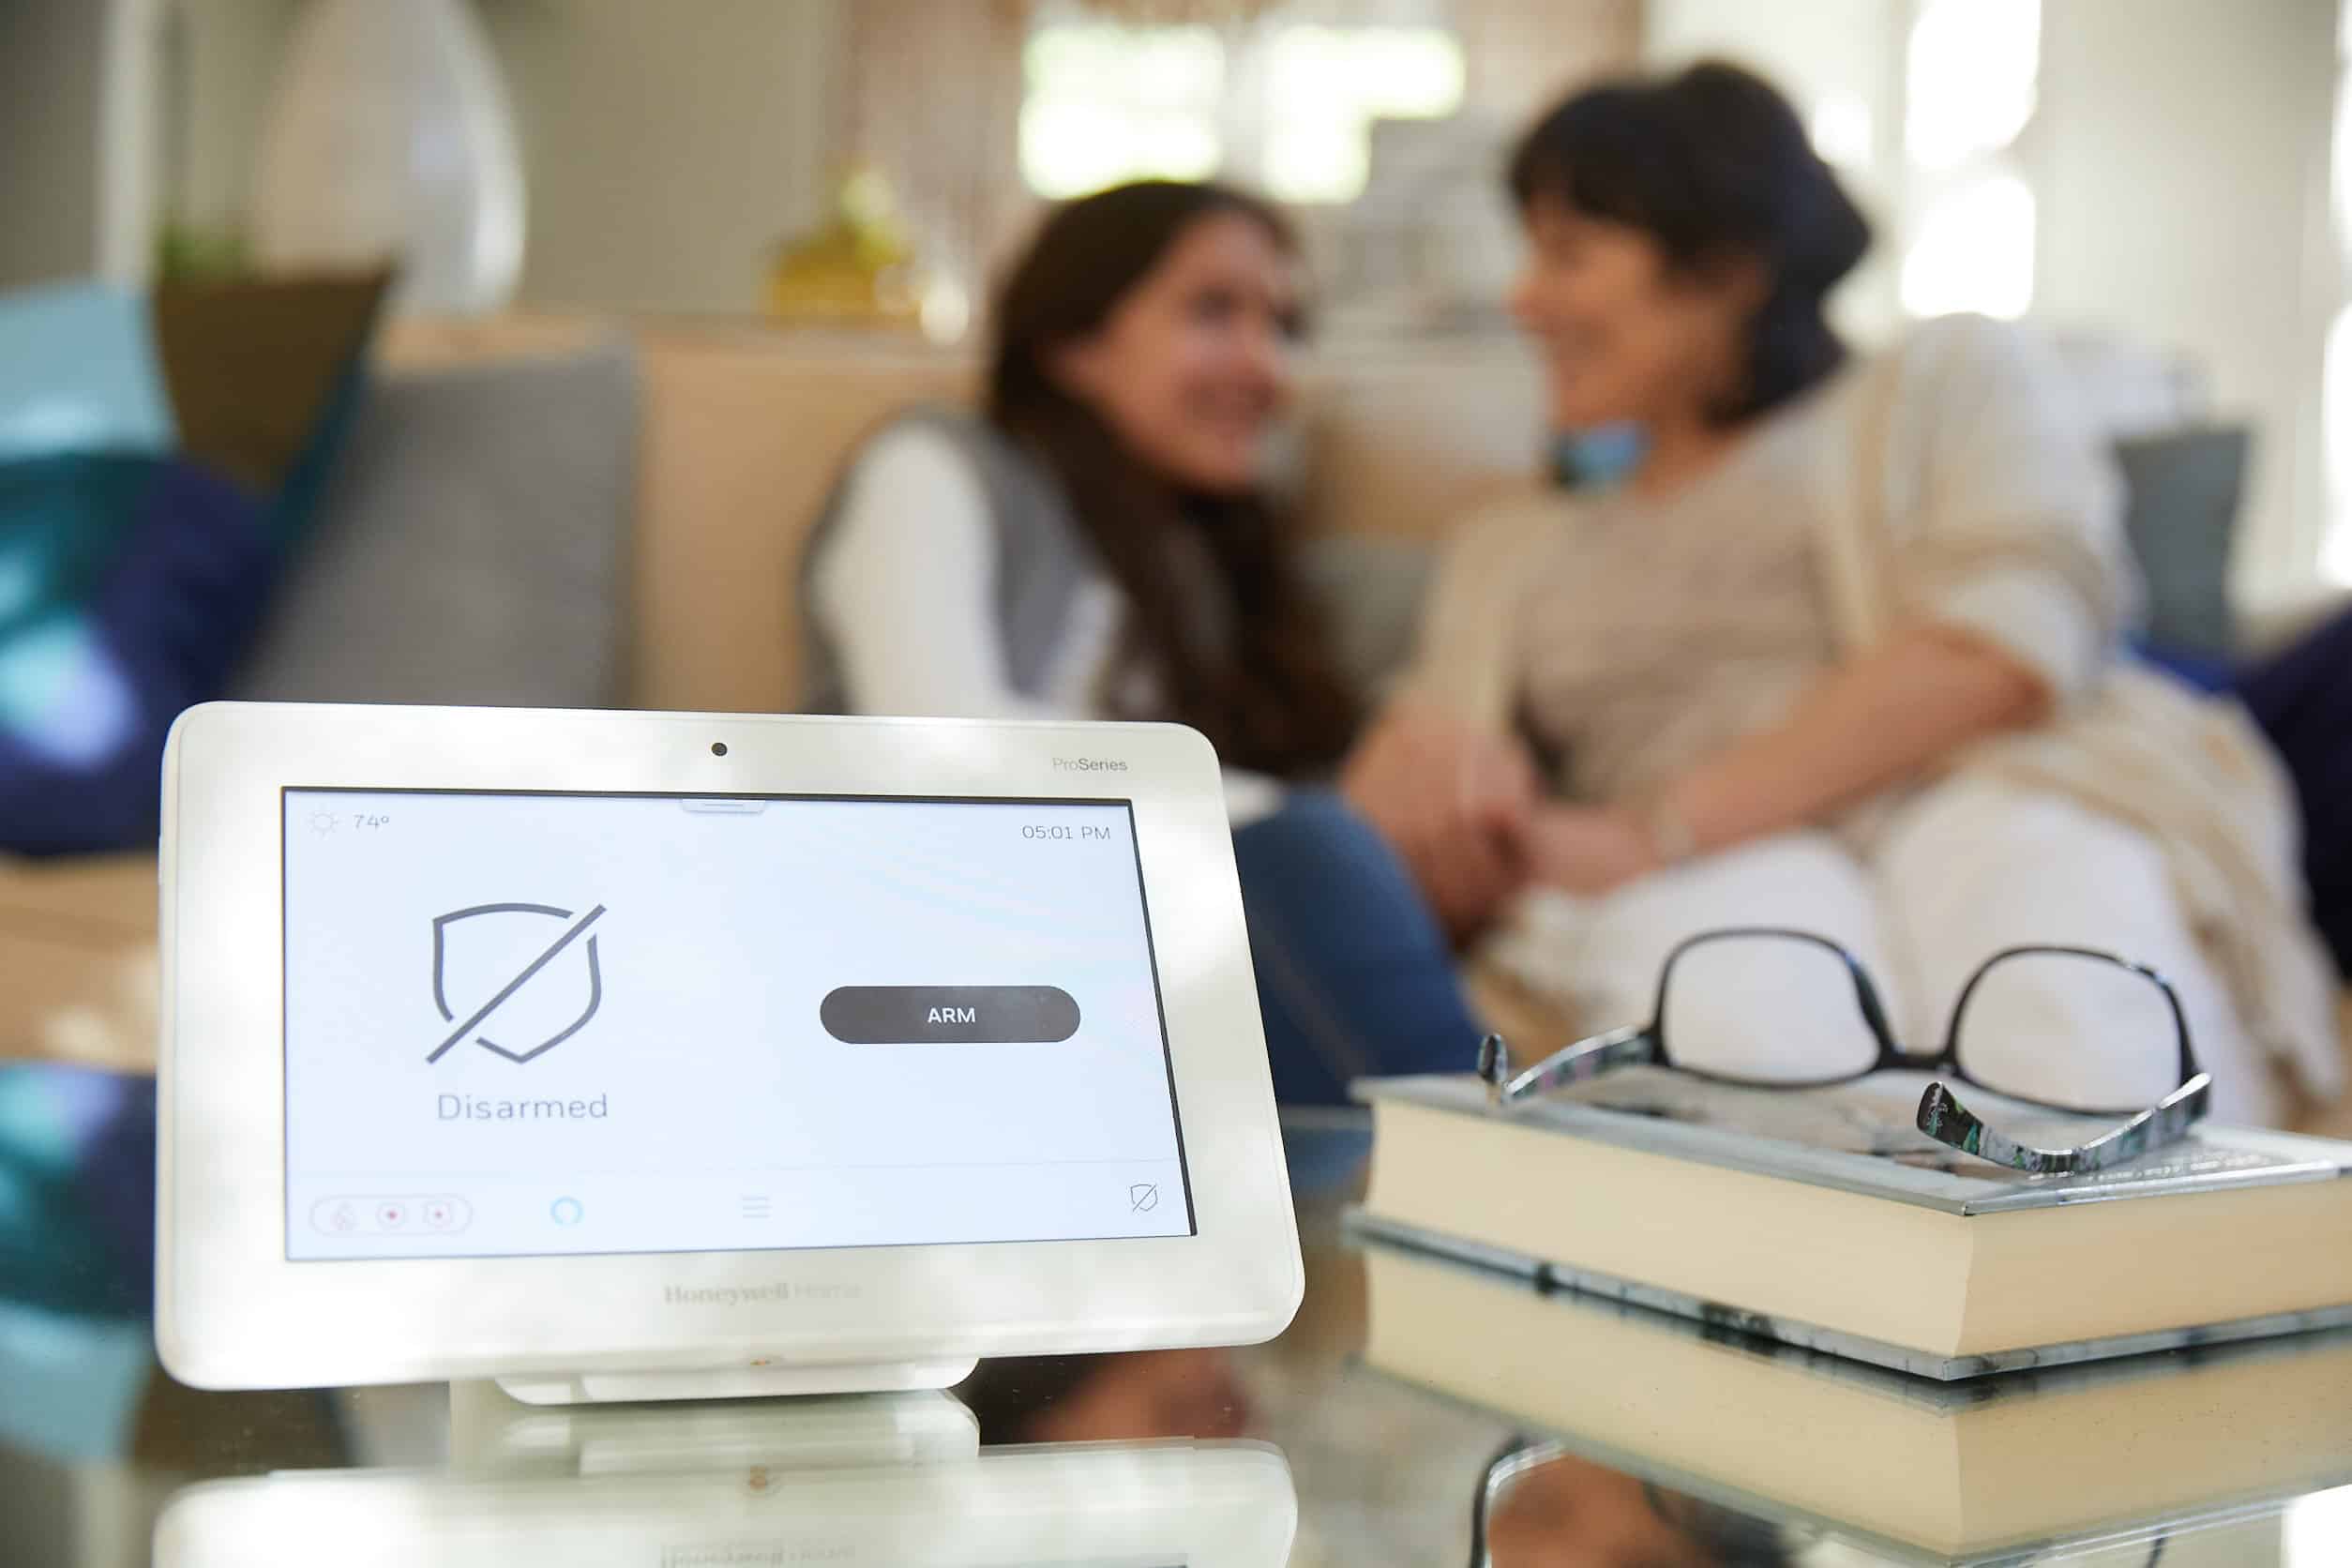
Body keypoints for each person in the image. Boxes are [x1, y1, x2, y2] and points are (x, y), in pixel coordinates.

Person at [1342, 61, 2340, 1125]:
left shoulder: (1940, 380)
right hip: (1695, 882)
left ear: (1724, 267)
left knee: (2074, 1003)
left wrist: (1655, 833)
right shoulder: (1514, 542)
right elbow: (1416, 784)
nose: (1524, 302)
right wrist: (1436, 793)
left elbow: (2008, 643)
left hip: (1981, 786)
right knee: (1748, 1029)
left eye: (1568, 255)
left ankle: (2171, 1274)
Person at [801, 180, 1485, 1103]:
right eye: (1214, 311)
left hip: (1130, 948)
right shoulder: (932, 467)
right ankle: (1512, 1175)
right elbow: (939, 749)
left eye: (1284, 325)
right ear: (1073, 340)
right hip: (930, 912)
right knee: (1312, 849)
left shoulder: (1197, 559)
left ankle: (1499, 1172)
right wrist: (1289, 815)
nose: (1267, 365)